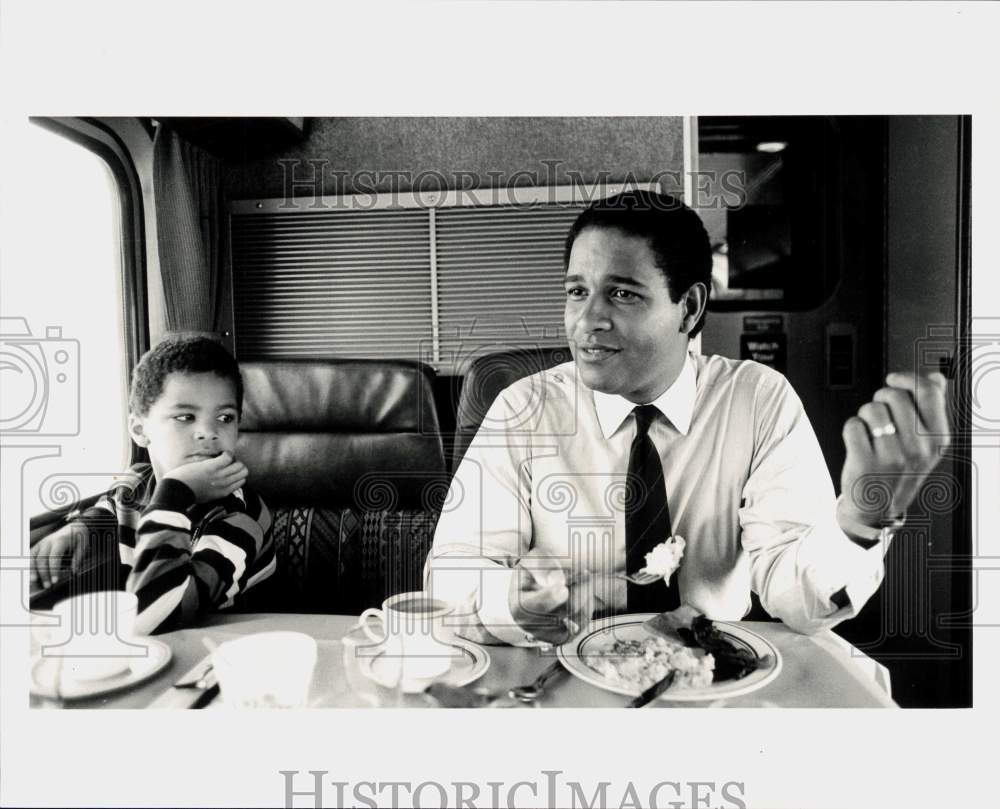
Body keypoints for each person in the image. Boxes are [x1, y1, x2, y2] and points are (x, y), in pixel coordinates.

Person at [426, 189, 950, 645]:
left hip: (711, 668)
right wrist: (513, 601)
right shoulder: (525, 408)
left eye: (622, 294)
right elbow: (449, 574)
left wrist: (861, 518)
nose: (587, 321)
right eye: (577, 291)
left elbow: (800, 600)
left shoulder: (758, 400)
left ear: (691, 308)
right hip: (564, 666)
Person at [30, 336, 276, 634]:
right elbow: (112, 507)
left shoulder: (243, 516)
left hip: (225, 654)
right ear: (139, 430)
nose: (209, 433)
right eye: (185, 417)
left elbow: (154, 616)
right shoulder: (135, 483)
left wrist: (174, 494)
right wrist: (80, 528)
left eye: (225, 417)